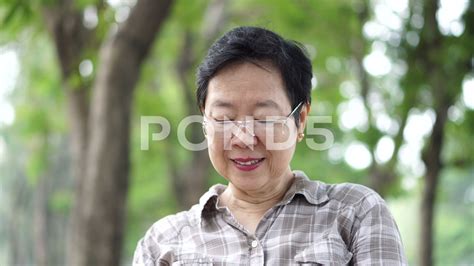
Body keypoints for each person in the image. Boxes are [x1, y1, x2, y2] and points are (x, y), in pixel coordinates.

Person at [133, 26, 407, 265]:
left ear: (300, 120)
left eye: (264, 118)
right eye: (224, 119)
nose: (242, 137)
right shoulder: (162, 243)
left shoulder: (355, 214)